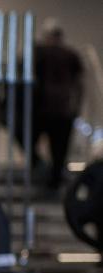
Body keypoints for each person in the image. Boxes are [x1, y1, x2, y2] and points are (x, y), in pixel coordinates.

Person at [33, 19, 84, 190]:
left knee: (58, 149)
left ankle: (51, 176)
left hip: (50, 109)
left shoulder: (43, 54)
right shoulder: (69, 55)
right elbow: (79, 84)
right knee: (59, 149)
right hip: (59, 109)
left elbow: (78, 83)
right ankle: (52, 177)